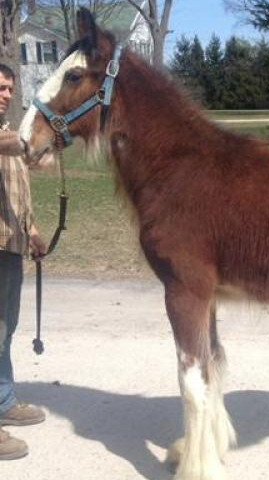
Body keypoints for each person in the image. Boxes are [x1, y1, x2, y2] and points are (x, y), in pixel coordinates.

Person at [0, 63, 47, 460]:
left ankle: (4, 401)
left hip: (10, 245)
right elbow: (18, 145)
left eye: (10, 88)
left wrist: (32, 231)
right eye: (0, 87)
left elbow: (19, 192)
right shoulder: (9, 139)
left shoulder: (6, 136)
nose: (7, 94)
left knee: (5, 328)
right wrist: (33, 140)